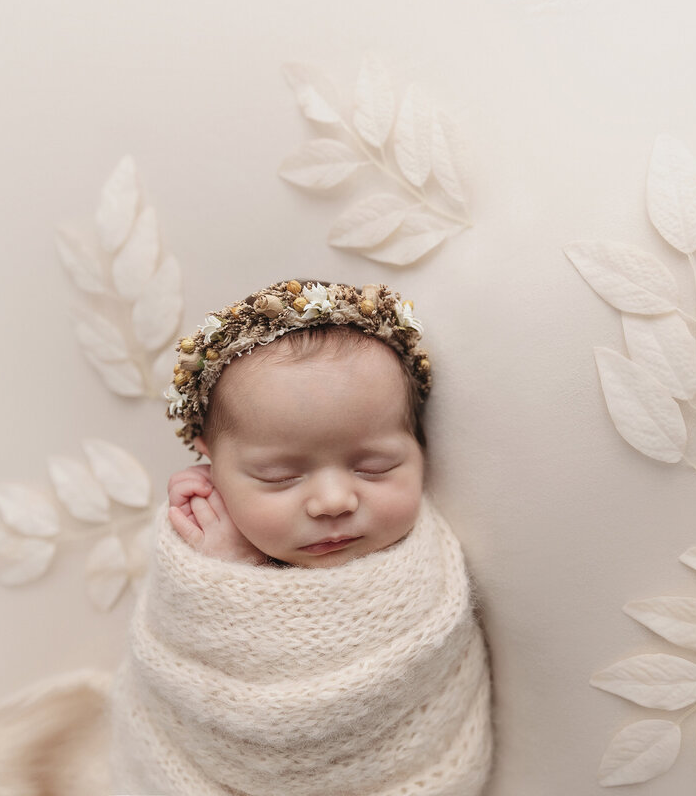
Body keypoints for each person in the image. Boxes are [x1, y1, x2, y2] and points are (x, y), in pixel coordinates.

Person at [109, 280, 493, 796]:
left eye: (375, 467)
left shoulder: (428, 572)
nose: (333, 500)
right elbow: (180, 662)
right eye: (278, 477)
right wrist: (226, 570)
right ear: (210, 466)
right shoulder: (204, 543)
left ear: (421, 448)